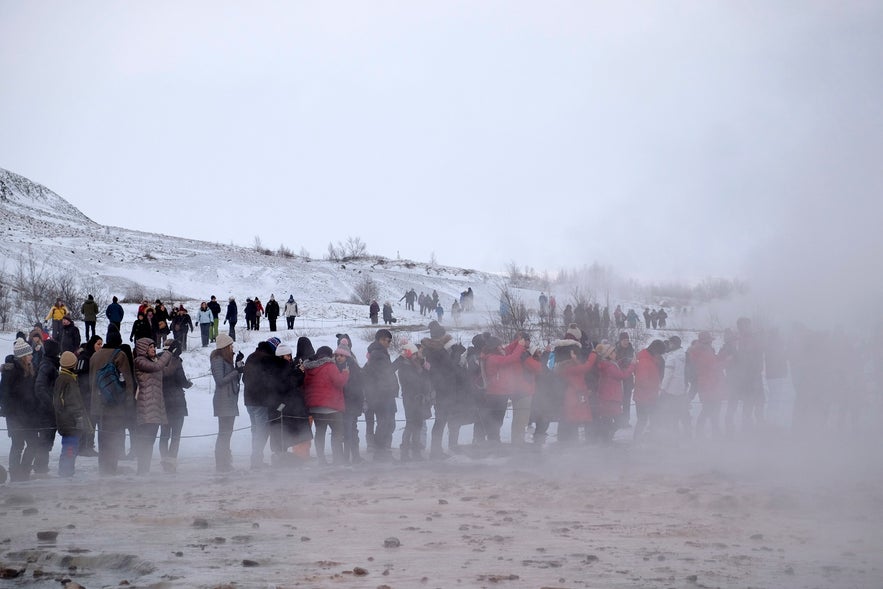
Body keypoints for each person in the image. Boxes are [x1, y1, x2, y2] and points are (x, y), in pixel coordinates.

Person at [89, 327, 136, 475]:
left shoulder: (94, 356)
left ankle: (103, 467)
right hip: (116, 405)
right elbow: (128, 380)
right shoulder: (120, 355)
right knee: (115, 436)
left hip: (98, 404)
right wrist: (129, 402)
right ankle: (112, 468)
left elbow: (90, 382)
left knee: (102, 436)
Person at [133, 337, 173, 475]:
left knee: (150, 441)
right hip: (146, 405)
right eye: (150, 347)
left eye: (154, 347)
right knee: (145, 441)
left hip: (155, 406)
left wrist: (173, 356)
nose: (154, 349)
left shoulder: (153, 361)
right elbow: (157, 367)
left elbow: (164, 370)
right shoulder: (140, 361)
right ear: (144, 349)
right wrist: (168, 353)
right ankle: (142, 471)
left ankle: (145, 470)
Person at [304, 345, 350, 465]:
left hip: (315, 407)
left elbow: (305, 385)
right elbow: (339, 382)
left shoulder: (309, 368)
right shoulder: (330, 366)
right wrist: (345, 373)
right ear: (330, 355)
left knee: (320, 433)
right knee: (337, 433)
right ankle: (337, 459)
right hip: (331, 407)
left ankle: (321, 460)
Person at [3, 338, 39, 481]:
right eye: (29, 354)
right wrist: (10, 411)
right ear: (22, 356)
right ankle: (15, 473)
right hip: (16, 415)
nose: (31, 356)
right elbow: (5, 393)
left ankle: (24, 470)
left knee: (33, 443)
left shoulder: (30, 368)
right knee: (17, 444)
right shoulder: (11, 371)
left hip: (29, 414)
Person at [243, 337, 280, 469]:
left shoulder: (251, 357)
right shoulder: (267, 359)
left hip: (248, 400)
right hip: (261, 401)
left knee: (255, 430)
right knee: (262, 431)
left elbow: (244, 378)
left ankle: (256, 459)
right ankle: (256, 460)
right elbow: (270, 380)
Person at [362, 329, 398, 461]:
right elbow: (385, 373)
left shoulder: (379, 353)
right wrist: (400, 360)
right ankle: (380, 452)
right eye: (387, 340)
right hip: (382, 395)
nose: (389, 343)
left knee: (387, 423)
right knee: (385, 423)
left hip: (382, 393)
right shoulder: (378, 354)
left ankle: (381, 451)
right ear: (381, 340)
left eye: (390, 341)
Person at [53, 351, 90, 477]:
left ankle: (66, 471)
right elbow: (73, 402)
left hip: (65, 421)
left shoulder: (62, 378)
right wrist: (79, 418)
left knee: (69, 448)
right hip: (70, 422)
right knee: (70, 449)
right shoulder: (68, 380)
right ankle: (66, 473)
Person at [210, 334, 243, 472]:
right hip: (223, 400)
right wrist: (236, 371)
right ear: (224, 347)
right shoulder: (217, 360)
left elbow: (234, 379)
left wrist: (238, 366)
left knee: (227, 433)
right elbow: (220, 380)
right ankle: (221, 463)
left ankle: (225, 462)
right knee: (223, 433)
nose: (232, 348)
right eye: (230, 346)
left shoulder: (226, 360)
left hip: (229, 400)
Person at [554, 339, 597, 443]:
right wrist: (593, 354)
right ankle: (573, 442)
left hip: (577, 395)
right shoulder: (567, 367)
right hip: (574, 396)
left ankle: (574, 442)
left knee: (576, 420)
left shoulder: (569, 365)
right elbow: (585, 367)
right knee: (574, 420)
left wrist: (574, 359)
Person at [394, 342, 431, 461]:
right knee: (411, 424)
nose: (417, 356)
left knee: (418, 424)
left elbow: (425, 378)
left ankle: (416, 452)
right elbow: (415, 382)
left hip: (418, 398)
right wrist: (420, 370)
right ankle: (404, 453)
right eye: (415, 354)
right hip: (410, 399)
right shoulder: (405, 367)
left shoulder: (415, 365)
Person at [159, 340, 191, 473]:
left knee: (164, 434)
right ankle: (171, 462)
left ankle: (164, 459)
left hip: (162, 401)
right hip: (176, 402)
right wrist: (188, 384)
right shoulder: (176, 361)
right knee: (176, 435)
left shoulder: (157, 360)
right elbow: (181, 380)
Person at [595, 343, 637, 443]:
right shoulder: (609, 366)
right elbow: (622, 375)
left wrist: (621, 361)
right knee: (618, 421)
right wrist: (632, 365)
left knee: (607, 419)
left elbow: (615, 367)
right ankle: (606, 438)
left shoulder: (607, 364)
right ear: (608, 355)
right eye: (613, 352)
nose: (615, 353)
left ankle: (605, 439)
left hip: (607, 396)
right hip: (611, 397)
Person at [32, 338, 61, 477]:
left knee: (47, 439)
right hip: (45, 411)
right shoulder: (47, 366)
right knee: (45, 440)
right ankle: (40, 468)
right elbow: (39, 387)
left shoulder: (51, 364)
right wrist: (50, 404)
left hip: (48, 410)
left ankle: (42, 466)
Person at [74, 335, 102, 457]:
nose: (100, 347)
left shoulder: (95, 357)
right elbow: (81, 377)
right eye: (98, 344)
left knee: (92, 420)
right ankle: (83, 446)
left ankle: (88, 445)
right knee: (87, 420)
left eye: (102, 344)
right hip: (85, 394)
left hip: (93, 394)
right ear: (92, 344)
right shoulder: (84, 358)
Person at [633, 340, 666, 441]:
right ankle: (637, 440)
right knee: (643, 420)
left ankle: (649, 438)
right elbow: (643, 381)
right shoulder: (645, 361)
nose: (659, 356)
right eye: (659, 353)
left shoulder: (649, 358)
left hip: (648, 396)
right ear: (655, 351)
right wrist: (654, 387)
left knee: (651, 419)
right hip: (645, 397)